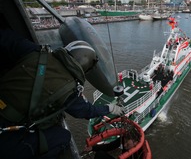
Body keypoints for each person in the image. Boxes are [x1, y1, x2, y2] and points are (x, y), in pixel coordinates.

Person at [0, 28, 124, 159]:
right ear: (85, 68)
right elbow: (87, 111)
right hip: (6, 133)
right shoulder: (70, 90)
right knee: (64, 137)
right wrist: (111, 108)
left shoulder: (36, 51)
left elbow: (6, 38)